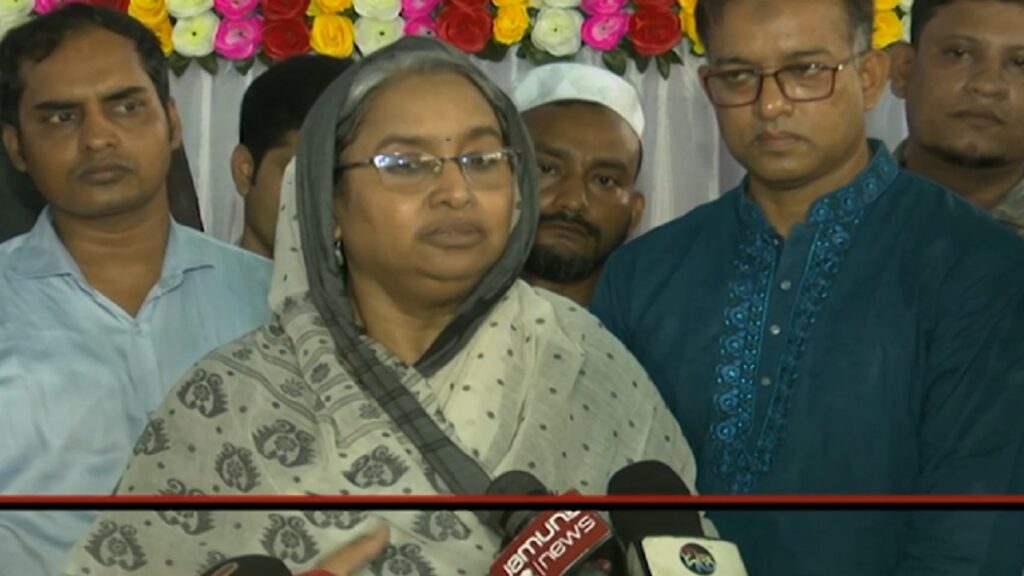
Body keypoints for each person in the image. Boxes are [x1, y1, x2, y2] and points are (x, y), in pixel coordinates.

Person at [60, 36, 706, 576]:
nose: (456, 191)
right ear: (329, 204)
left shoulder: (586, 364)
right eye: (405, 162)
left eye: (482, 159)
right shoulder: (228, 403)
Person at [589, 0, 1024, 574]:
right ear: (709, 86)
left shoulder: (984, 269)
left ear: (869, 78)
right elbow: (599, 489)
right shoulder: (643, 274)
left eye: (807, 70)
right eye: (739, 75)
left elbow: (974, 535)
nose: (770, 104)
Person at [0, 6, 272, 575]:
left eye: (126, 107)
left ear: (172, 123)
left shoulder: (273, 300)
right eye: (61, 118)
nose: (98, 138)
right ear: (16, 146)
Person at [513, 63, 646, 306]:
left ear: (635, 211)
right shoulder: (443, 319)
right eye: (547, 169)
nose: (572, 201)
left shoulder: (663, 327)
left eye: (604, 180)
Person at [889, 0, 1024, 236]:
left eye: (1021, 63)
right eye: (958, 53)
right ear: (904, 69)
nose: (987, 85)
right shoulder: (826, 216)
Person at [231, 54, 352, 258]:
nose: (323, 196)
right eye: (301, 174)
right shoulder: (197, 278)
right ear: (244, 171)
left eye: (340, 176)